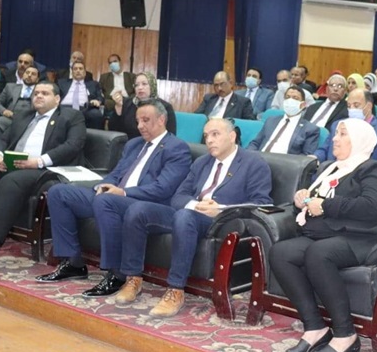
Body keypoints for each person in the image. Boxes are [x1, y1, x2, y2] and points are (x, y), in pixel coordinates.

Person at [112, 118, 272, 317]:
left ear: (232, 136)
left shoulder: (254, 163)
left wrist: (221, 209)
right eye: (206, 136)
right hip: (190, 213)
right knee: (138, 210)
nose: (209, 140)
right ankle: (133, 278)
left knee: (184, 216)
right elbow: (179, 196)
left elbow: (261, 203)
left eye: (215, 134)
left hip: (221, 220)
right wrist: (196, 205)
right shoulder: (202, 162)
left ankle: (175, 290)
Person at [270, 119, 377, 352]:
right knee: (281, 253)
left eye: (342, 134)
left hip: (360, 238)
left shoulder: (372, 169)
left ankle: (345, 334)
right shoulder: (329, 168)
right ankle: (315, 327)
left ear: (358, 140)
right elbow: (313, 203)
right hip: (324, 235)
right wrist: (302, 199)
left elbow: (372, 207)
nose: (335, 139)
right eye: (336, 133)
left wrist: (326, 205)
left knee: (319, 253)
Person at [36, 100, 191, 296]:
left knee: (105, 201)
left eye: (145, 120)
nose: (140, 126)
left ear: (161, 120)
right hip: (113, 197)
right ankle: (72, 263)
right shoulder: (134, 144)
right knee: (59, 192)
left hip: (144, 204)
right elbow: (115, 174)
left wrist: (123, 193)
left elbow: (163, 188)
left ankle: (117, 273)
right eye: (137, 121)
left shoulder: (176, 148)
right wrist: (103, 186)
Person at [0, 82, 86, 271]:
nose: (38, 96)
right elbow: (3, 139)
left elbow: (73, 145)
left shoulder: (71, 116)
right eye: (36, 93)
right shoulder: (24, 115)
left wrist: (38, 161)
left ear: (57, 99)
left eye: (45, 93)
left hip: (43, 169)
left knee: (10, 182)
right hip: (11, 163)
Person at [313, 89, 377, 162]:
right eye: (349, 106)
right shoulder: (338, 125)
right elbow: (324, 150)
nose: (352, 109)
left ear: (369, 106)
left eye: (356, 105)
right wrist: (313, 158)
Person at [247, 85, 320, 155]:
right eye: (287, 97)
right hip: (259, 158)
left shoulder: (310, 129)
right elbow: (255, 143)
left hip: (283, 162)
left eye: (295, 98)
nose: (290, 100)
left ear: (303, 105)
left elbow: (306, 156)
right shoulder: (271, 120)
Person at [109, 72, 177, 138]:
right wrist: (118, 108)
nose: (140, 87)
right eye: (136, 85)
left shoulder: (165, 107)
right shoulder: (127, 103)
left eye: (144, 84)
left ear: (152, 86)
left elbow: (170, 136)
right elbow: (113, 130)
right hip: (129, 143)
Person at [0, 65, 40, 139]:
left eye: (33, 74)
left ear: (37, 79)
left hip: (30, 121)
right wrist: (4, 111)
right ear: (23, 75)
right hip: (10, 119)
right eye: (27, 72)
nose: (29, 75)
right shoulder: (10, 87)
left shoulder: (40, 91)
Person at [58, 62, 104, 129]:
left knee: (96, 114)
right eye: (75, 69)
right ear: (72, 72)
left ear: (85, 72)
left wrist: (98, 101)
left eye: (80, 69)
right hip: (64, 107)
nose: (78, 71)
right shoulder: (62, 83)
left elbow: (100, 97)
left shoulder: (93, 84)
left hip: (85, 109)